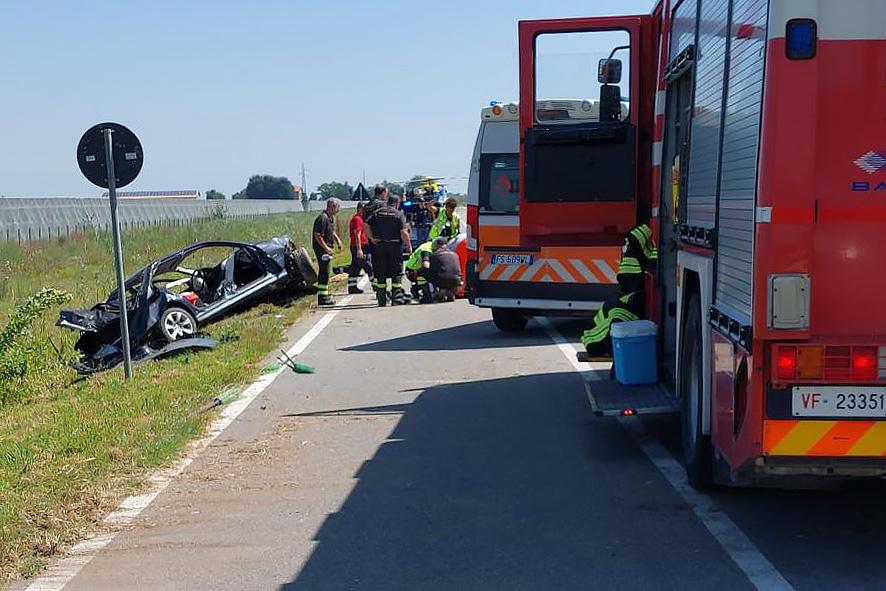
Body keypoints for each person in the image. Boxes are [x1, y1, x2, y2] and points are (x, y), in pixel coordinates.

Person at [580, 223, 657, 356]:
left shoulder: (640, 237)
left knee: (613, 313)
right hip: (635, 291)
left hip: (634, 291)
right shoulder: (648, 237)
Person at [366, 193, 412, 306]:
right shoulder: (398, 214)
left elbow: (366, 225)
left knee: (380, 273)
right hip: (394, 246)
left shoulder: (377, 212)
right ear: (397, 203)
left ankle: (381, 300)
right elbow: (404, 232)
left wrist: (371, 238)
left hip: (380, 246)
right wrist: (409, 246)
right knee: (396, 273)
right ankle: (396, 299)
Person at [312, 198, 342, 306]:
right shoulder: (322, 218)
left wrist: (337, 240)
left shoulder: (330, 218)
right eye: (338, 207)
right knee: (324, 271)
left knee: (327, 271)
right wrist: (326, 248)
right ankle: (322, 297)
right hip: (322, 249)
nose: (339, 209)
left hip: (327, 248)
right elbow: (317, 235)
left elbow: (331, 231)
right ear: (332, 207)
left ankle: (325, 293)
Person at [425, 237, 462, 302]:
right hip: (456, 280)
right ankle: (451, 292)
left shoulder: (435, 255)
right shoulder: (455, 254)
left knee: (425, 271)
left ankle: (440, 291)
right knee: (449, 274)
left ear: (437, 245)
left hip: (442, 280)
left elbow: (431, 269)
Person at [347, 202, 373, 294]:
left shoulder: (361, 219)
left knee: (355, 268)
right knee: (368, 267)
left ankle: (352, 287)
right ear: (360, 209)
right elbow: (357, 235)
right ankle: (376, 286)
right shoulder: (357, 219)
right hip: (359, 246)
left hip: (359, 246)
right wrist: (359, 250)